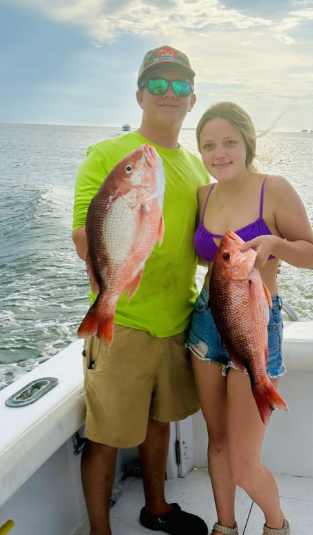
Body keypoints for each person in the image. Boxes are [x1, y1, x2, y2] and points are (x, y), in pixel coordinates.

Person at [72, 46, 209, 535]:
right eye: (157, 84)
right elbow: (84, 234)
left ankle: (157, 508)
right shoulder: (110, 155)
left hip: (178, 320)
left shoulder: (197, 169)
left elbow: (202, 246)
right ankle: (99, 532)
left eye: (178, 85)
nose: (167, 93)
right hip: (123, 322)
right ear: (139, 94)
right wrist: (110, 285)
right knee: (106, 434)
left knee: (160, 420)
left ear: (192, 99)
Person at [187, 102, 313, 535]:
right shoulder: (202, 195)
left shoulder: (274, 189)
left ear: (247, 143)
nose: (218, 153)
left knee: (245, 464)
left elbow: (312, 256)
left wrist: (273, 243)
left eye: (228, 142)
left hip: (256, 326)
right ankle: (224, 526)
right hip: (207, 324)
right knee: (218, 439)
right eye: (208, 145)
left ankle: (276, 525)